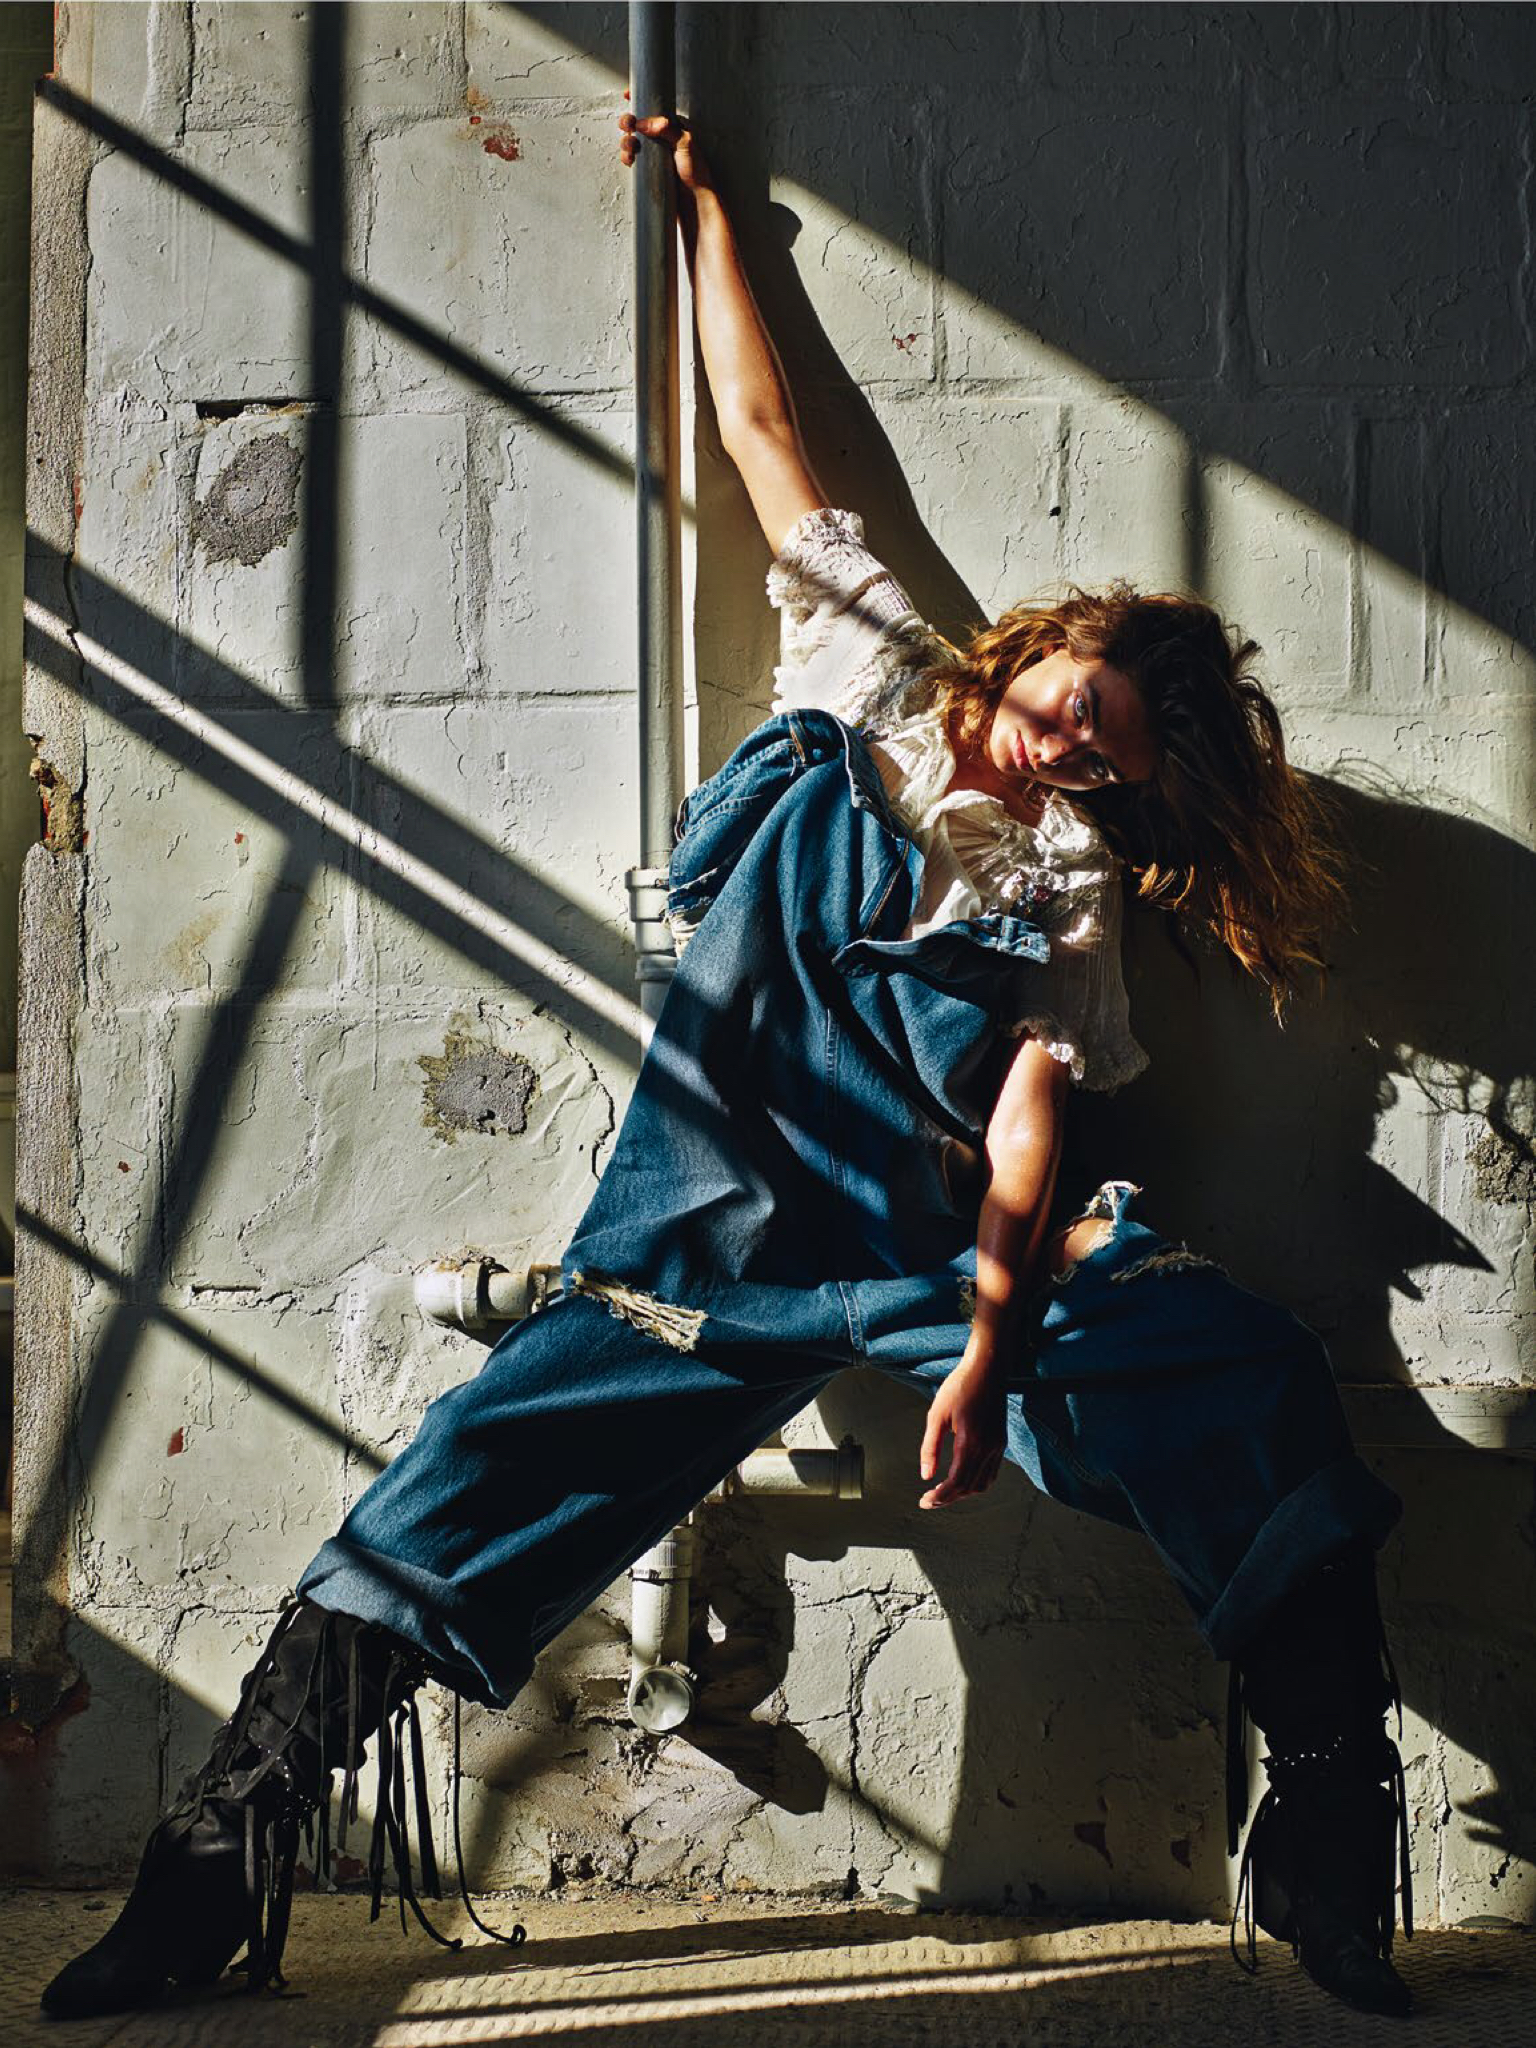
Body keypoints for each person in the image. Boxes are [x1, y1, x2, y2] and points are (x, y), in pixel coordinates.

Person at [42, 115, 1413, 2022]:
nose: (1074, 755)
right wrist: (704, 214)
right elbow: (766, 434)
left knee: (1243, 1367)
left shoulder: (1068, 878)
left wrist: (991, 1352)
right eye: (1087, 709)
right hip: (698, 1239)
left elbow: (1027, 1116)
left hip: (917, 1249)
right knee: (462, 1479)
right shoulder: (865, 670)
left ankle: (1332, 1849)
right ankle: (209, 1878)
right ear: (1059, 644)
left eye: (1110, 763)